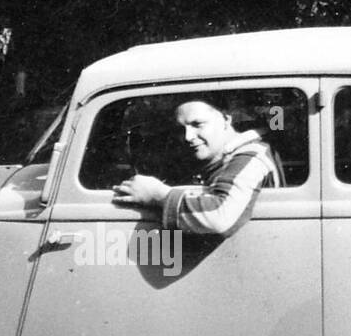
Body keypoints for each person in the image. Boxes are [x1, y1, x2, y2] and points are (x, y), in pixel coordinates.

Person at [111, 99, 277, 237]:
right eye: (180, 129)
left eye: (198, 124)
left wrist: (157, 195)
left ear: (226, 120)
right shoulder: (212, 157)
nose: (188, 137)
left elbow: (219, 216)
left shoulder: (252, 155)